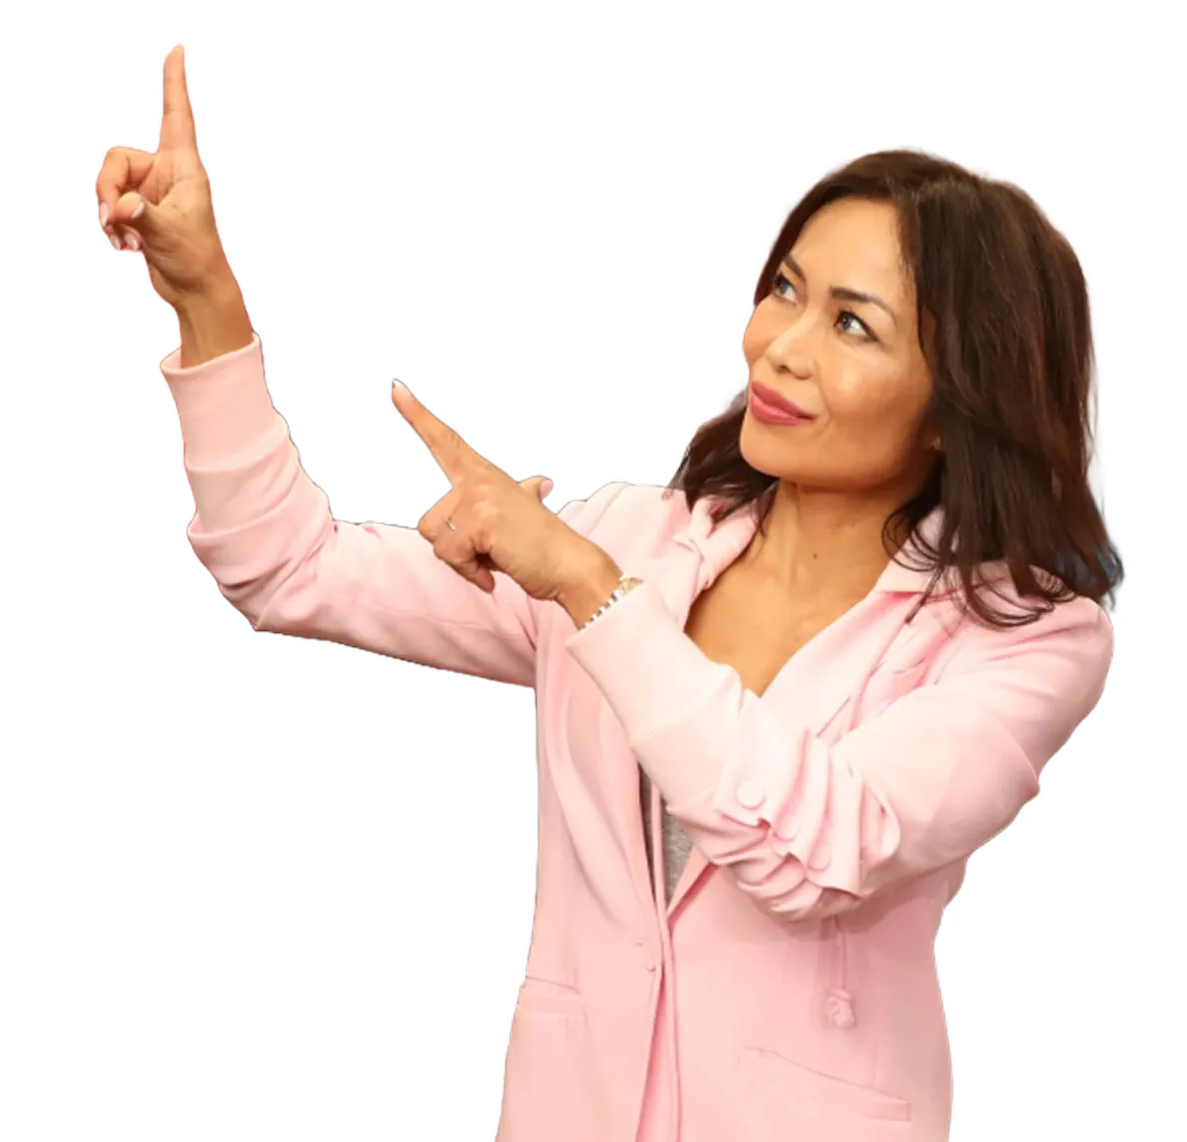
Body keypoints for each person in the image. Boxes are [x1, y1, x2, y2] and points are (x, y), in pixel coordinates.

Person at [94, 43, 1125, 1142]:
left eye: (851, 324)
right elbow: (286, 565)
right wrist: (206, 300)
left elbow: (818, 850)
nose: (779, 348)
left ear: (959, 400)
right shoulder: (636, 538)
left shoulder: (1028, 638)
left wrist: (587, 588)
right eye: (785, 289)